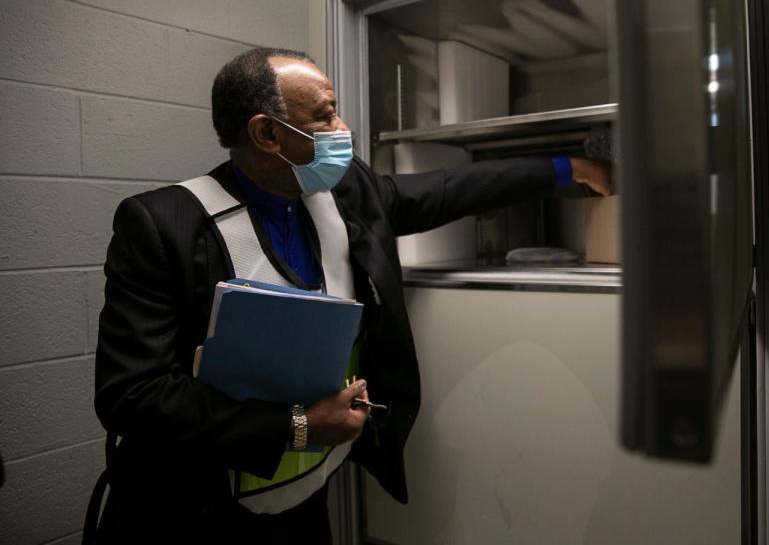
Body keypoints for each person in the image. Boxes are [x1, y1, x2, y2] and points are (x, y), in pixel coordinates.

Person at [87, 47, 611, 543]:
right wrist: (296, 427)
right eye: (325, 116)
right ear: (268, 133)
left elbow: (445, 190)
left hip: (306, 497)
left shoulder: (344, 193)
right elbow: (132, 395)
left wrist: (564, 170)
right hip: (193, 514)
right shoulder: (164, 225)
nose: (344, 131)